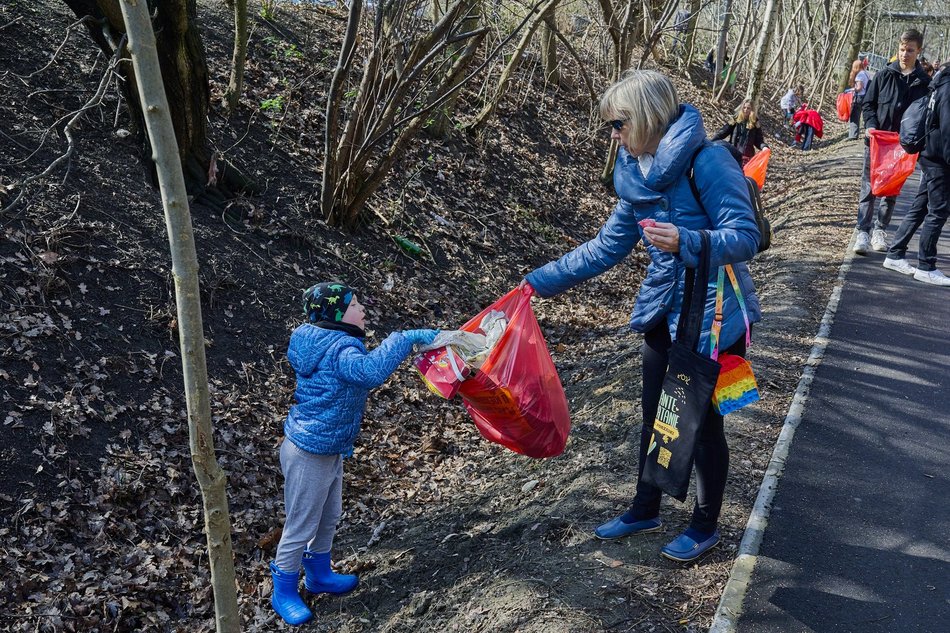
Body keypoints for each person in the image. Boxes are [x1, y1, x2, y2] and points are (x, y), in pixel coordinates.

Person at [523, 70, 761, 563]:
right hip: (661, 310)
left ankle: (704, 523)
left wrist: (690, 242)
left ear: (647, 116)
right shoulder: (633, 171)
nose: (613, 134)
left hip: (714, 313)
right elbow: (606, 246)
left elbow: (745, 235)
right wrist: (538, 281)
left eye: (618, 123)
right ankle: (645, 507)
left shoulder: (709, 161)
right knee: (658, 414)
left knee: (704, 423)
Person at [269, 282, 438, 625]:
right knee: (301, 524)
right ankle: (283, 590)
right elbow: (369, 372)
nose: (362, 310)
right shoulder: (340, 350)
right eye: (355, 305)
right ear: (336, 314)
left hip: (326, 447)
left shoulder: (322, 341)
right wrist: (405, 338)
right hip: (308, 451)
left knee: (329, 515)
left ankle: (318, 574)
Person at [855, 28, 931, 255]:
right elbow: (868, 104)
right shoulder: (883, 74)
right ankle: (863, 231)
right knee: (868, 187)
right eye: (901, 49)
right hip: (877, 142)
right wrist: (870, 125)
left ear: (918, 51)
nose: (905, 54)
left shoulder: (923, 82)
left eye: (910, 50)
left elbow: (923, 115)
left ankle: (880, 230)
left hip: (901, 148)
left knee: (891, 190)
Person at [882, 62, 950, 286]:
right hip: (938, 157)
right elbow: (948, 128)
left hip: (930, 152)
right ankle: (926, 265)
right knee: (938, 210)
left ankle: (895, 254)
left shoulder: (940, 81)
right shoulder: (948, 85)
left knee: (921, 206)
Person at [848, 59, 871, 139]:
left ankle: (853, 135)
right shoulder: (866, 73)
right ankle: (867, 132)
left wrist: (852, 89)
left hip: (859, 97)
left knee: (854, 116)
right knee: (865, 115)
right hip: (866, 96)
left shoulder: (859, 75)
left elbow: (859, 88)